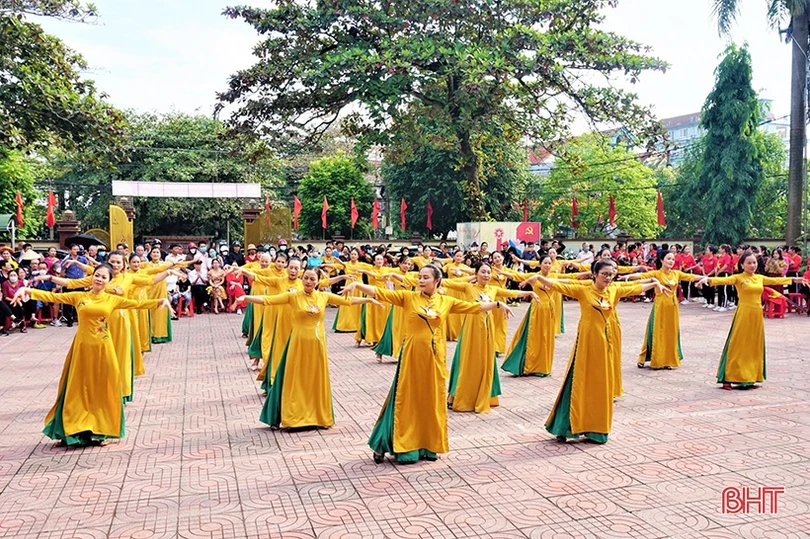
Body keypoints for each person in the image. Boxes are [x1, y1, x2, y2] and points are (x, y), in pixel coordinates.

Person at [342, 266, 513, 463]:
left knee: (431, 401)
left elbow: (474, 307)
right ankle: (393, 444)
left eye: (425, 277)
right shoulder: (409, 297)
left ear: (437, 281)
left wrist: (498, 304)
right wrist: (357, 285)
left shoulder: (446, 301)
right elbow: (380, 292)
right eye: (419, 277)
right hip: (412, 358)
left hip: (435, 358)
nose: (421, 281)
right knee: (406, 400)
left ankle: (427, 446)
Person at [12, 264, 171, 446]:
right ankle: (73, 429)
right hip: (81, 349)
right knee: (77, 388)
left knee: (104, 387)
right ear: (92, 277)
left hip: (104, 348)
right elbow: (53, 296)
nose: (99, 279)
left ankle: (105, 431)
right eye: (97, 275)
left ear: (109, 281)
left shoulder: (113, 299)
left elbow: (137, 304)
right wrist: (26, 290)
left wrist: (160, 301)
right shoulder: (79, 297)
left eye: (104, 277)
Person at [532, 260, 665, 444]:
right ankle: (565, 427)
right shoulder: (584, 290)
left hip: (605, 345)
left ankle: (596, 429)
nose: (608, 278)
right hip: (586, 345)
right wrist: (538, 277)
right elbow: (558, 285)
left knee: (600, 385)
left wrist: (655, 284)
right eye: (604, 274)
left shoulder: (614, 290)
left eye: (611, 274)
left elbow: (634, 288)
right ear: (594, 274)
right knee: (578, 383)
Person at [236, 268, 381, 429]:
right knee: (295, 380)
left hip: (317, 346)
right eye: (306, 278)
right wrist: (246, 297)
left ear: (318, 281)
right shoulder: (293, 296)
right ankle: (293, 416)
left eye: (312, 279)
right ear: (302, 278)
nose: (308, 282)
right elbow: (268, 300)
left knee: (315, 379)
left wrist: (368, 300)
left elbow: (347, 301)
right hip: (297, 345)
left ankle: (318, 416)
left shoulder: (323, 296)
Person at [697, 253, 807, 390]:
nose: (752, 265)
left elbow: (776, 281)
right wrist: (707, 279)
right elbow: (723, 280)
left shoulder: (759, 278)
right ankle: (728, 378)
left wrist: (795, 279)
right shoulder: (738, 277)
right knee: (738, 344)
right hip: (743, 313)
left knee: (754, 345)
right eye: (749, 263)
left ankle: (750, 377)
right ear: (742, 265)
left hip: (757, 315)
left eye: (754, 262)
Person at [443, 264, 536, 413]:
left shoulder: (493, 289)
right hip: (471, 330)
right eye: (483, 272)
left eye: (488, 272)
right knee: (466, 361)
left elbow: (511, 293)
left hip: (487, 330)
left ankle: (484, 394)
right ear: (476, 273)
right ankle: (457, 395)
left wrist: (529, 292)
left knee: (484, 361)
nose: (486, 275)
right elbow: (446, 282)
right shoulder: (468, 287)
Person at [620, 252, 704, 370]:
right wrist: (628, 277)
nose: (671, 261)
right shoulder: (657, 274)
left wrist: (706, 278)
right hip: (660, 307)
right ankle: (646, 358)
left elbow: (691, 277)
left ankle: (669, 360)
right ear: (661, 260)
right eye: (668, 259)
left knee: (671, 333)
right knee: (655, 332)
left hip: (673, 308)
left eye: (673, 259)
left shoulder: (676, 273)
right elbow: (642, 276)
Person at [499, 254, 577, 377]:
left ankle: (543, 367)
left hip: (549, 310)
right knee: (535, 337)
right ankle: (530, 365)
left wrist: (589, 273)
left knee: (547, 338)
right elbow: (516, 275)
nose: (548, 265)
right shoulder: (534, 276)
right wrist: (501, 271)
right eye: (545, 263)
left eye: (549, 263)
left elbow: (570, 278)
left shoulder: (554, 276)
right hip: (537, 310)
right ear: (540, 264)